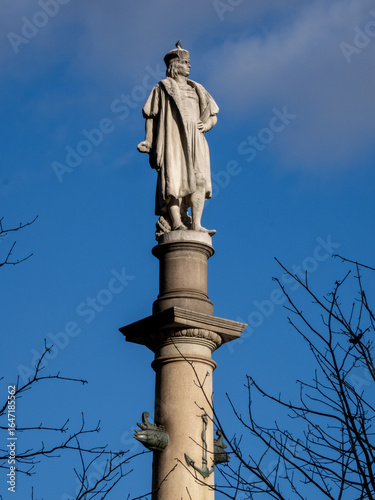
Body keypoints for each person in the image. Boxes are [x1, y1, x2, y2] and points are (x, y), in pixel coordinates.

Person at [137, 42, 219, 235]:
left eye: (189, 63)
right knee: (173, 180)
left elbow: (213, 114)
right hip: (173, 139)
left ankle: (197, 224)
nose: (189, 66)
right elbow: (151, 115)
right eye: (185, 62)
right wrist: (148, 141)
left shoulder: (197, 88)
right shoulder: (163, 88)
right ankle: (176, 222)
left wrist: (206, 125)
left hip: (195, 138)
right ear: (174, 66)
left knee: (200, 180)